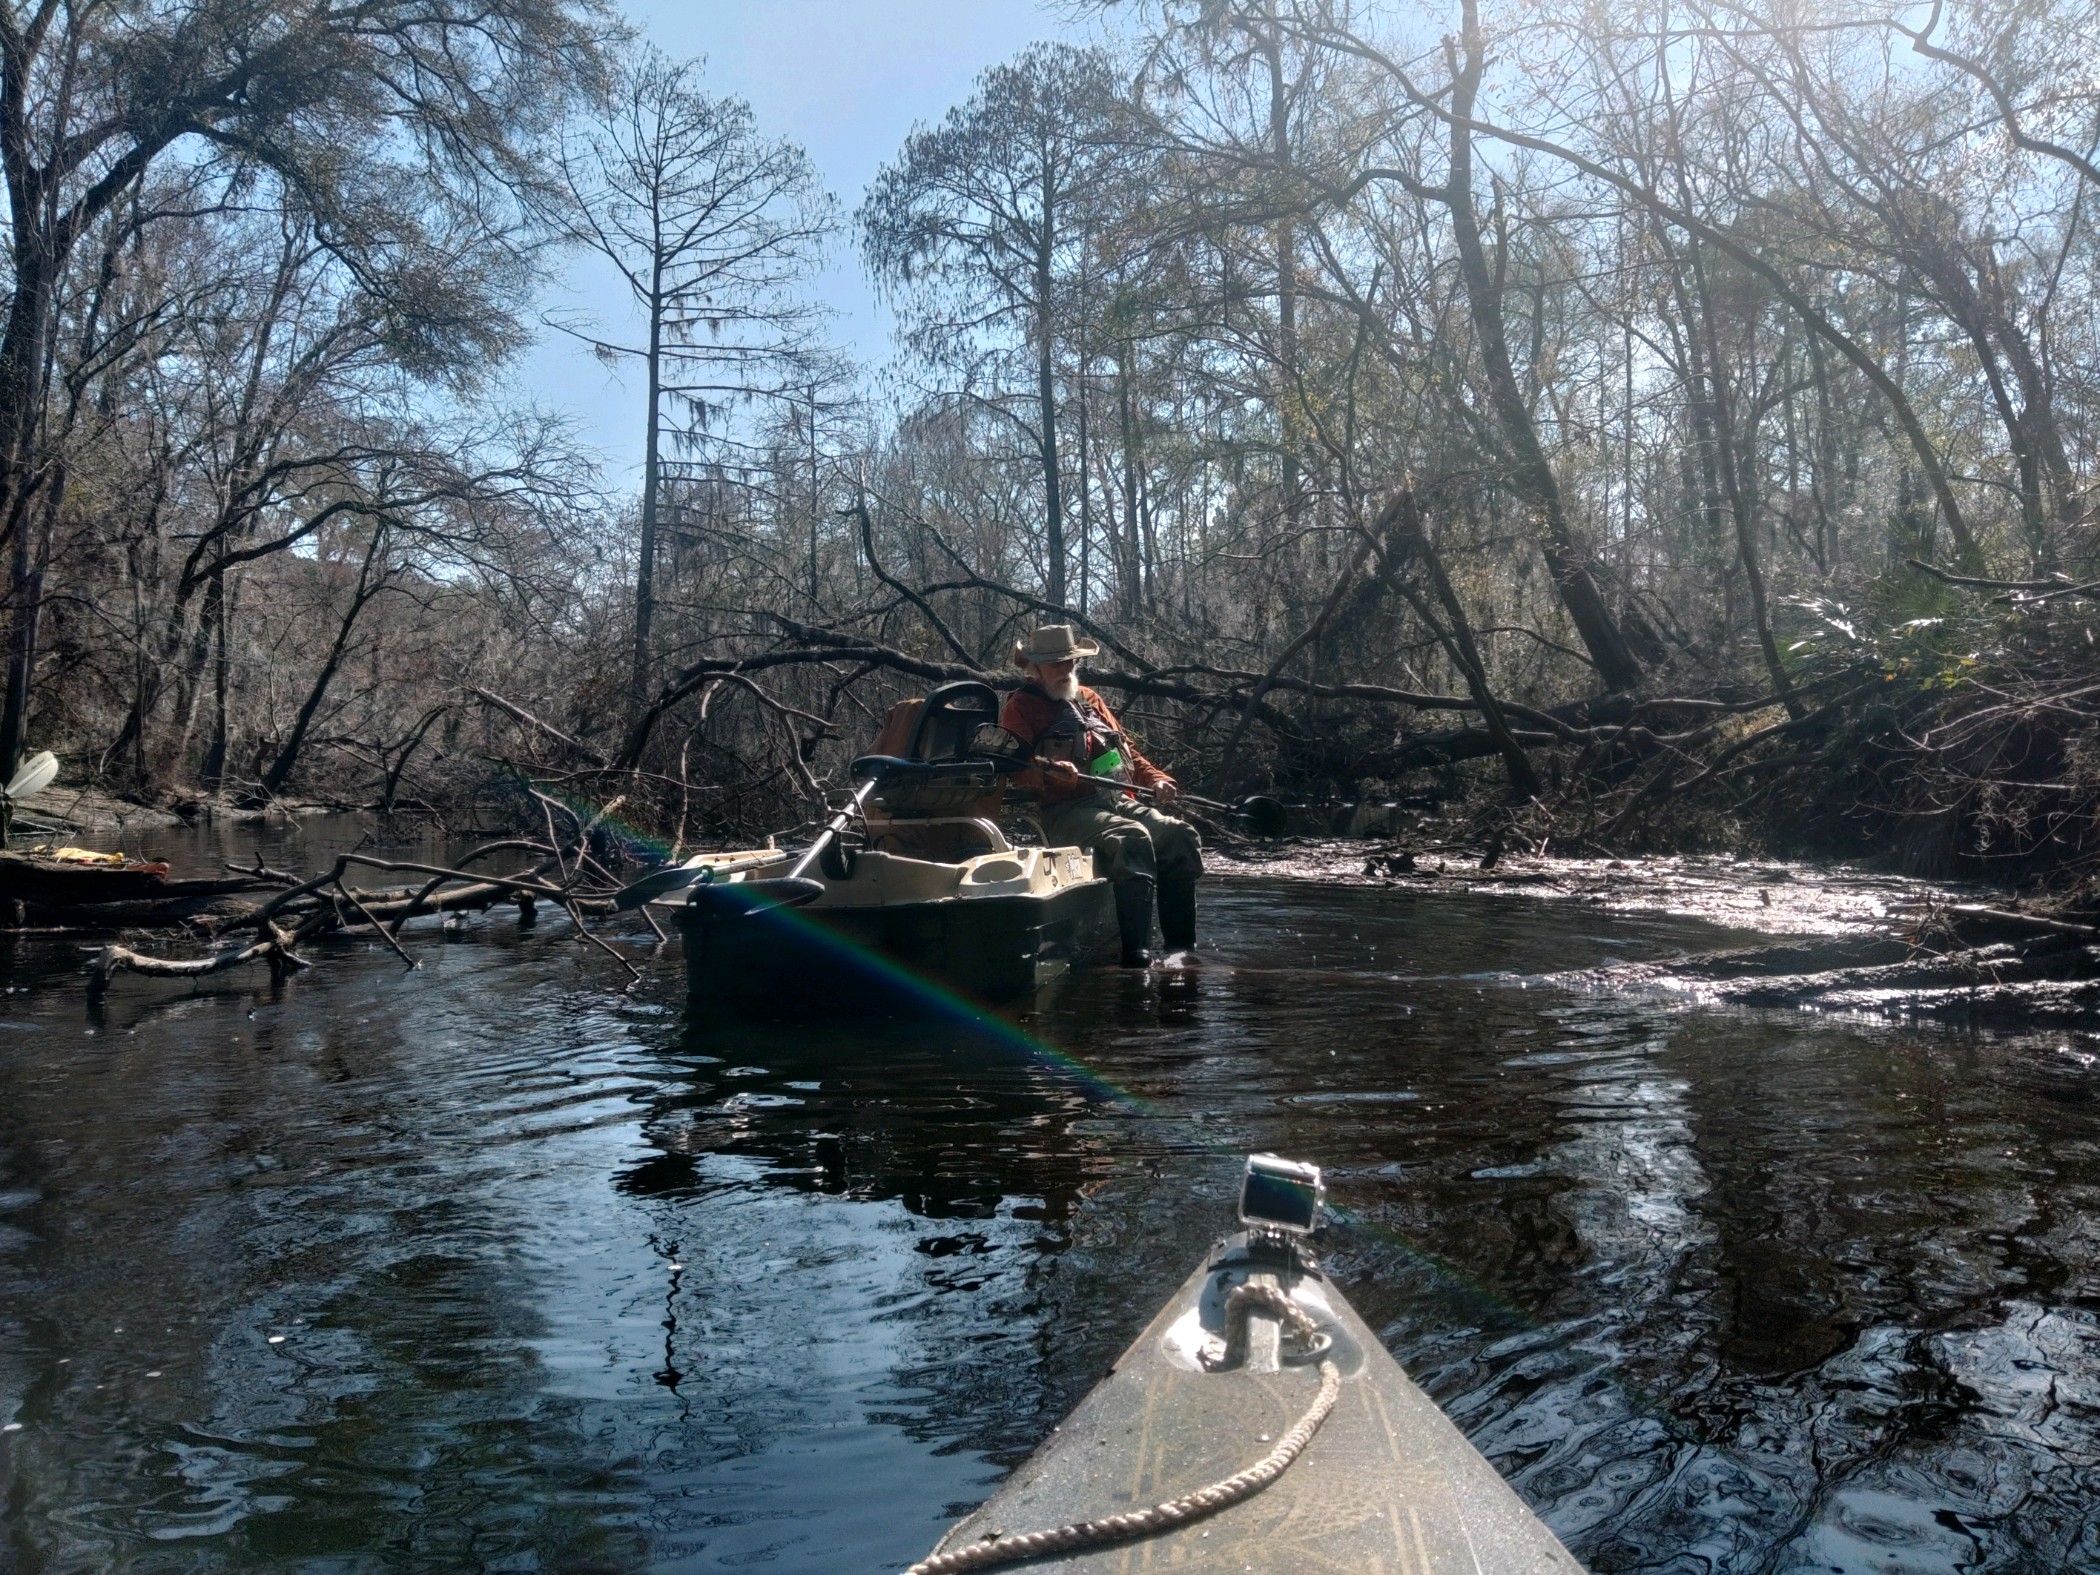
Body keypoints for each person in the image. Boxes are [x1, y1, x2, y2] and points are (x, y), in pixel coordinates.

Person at [1000, 624, 1203, 966]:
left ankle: (1180, 953)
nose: (1065, 670)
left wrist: (1157, 780)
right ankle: (1136, 958)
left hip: (1116, 800)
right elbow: (1011, 765)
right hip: (1063, 811)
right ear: (1034, 669)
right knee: (1132, 838)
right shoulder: (1020, 706)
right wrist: (1048, 771)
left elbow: (1128, 752)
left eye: (1070, 663)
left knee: (1180, 836)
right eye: (1056, 664)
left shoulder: (1090, 699)